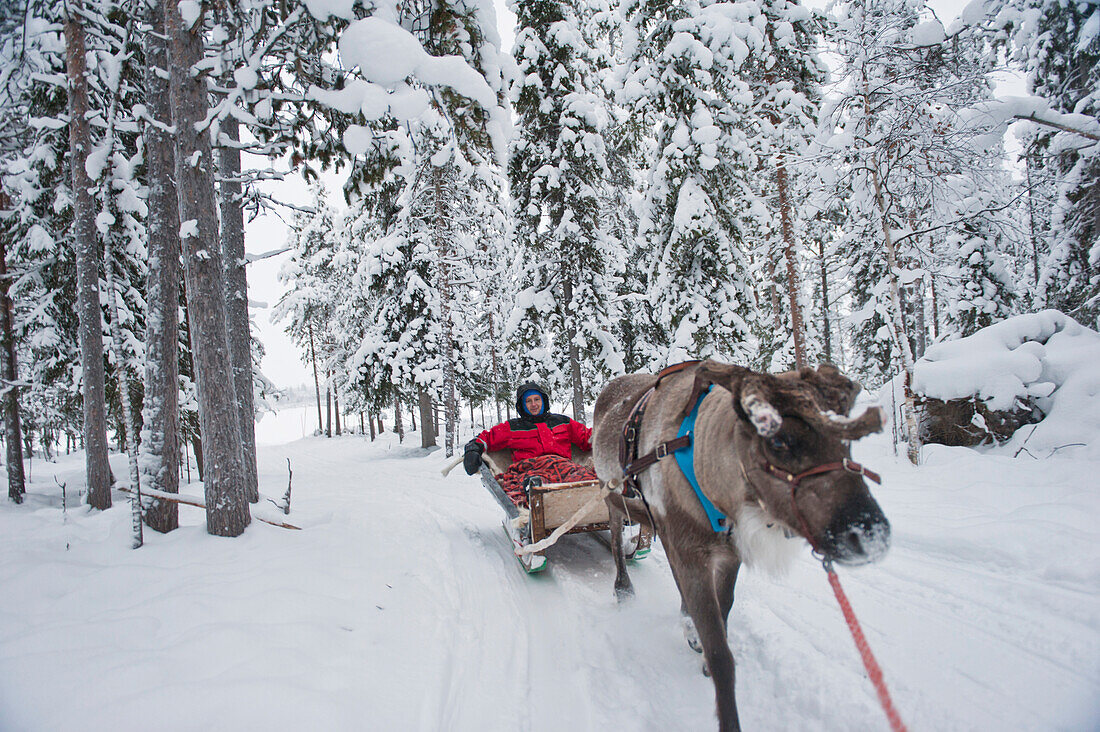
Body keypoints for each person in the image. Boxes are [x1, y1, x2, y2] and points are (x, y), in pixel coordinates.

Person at [463, 382, 596, 507]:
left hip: (564, 468)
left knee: (588, 479)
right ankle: (535, 504)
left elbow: (588, 437)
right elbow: (486, 438)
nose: (534, 404)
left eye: (537, 399)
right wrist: (473, 449)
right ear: (522, 405)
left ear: (543, 401)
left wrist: (612, 437)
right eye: (528, 401)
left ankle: (590, 506)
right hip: (531, 469)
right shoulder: (512, 427)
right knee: (535, 486)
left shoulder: (563, 422)